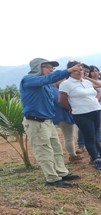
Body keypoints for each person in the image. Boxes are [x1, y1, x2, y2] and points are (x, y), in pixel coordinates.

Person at [19, 58, 82, 187]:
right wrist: (69, 70)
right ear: (37, 67)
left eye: (52, 68)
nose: (51, 70)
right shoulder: (29, 80)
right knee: (44, 150)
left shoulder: (45, 84)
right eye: (47, 67)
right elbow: (47, 79)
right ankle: (52, 179)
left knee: (56, 148)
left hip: (48, 121)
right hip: (35, 122)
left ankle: (61, 172)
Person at [59, 61, 101, 172]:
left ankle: (98, 155)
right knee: (89, 137)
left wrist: (85, 78)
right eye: (76, 69)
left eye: (81, 70)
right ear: (70, 70)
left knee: (94, 135)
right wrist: (70, 108)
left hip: (95, 110)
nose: (79, 72)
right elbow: (62, 100)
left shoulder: (86, 82)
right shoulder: (66, 84)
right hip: (81, 113)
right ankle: (96, 159)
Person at [50, 79, 81, 163]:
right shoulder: (55, 90)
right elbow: (61, 101)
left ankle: (72, 154)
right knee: (69, 137)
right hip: (63, 115)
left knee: (69, 136)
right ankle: (72, 155)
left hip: (58, 115)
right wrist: (70, 108)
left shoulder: (51, 89)